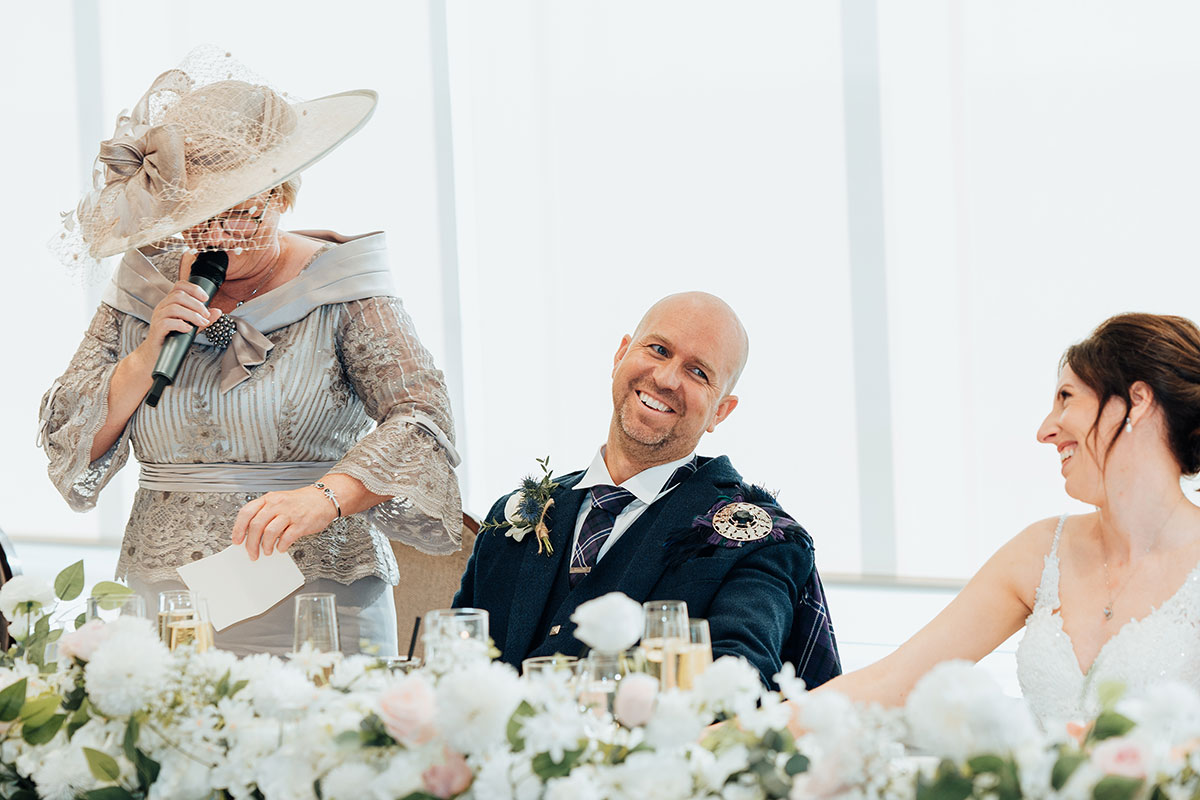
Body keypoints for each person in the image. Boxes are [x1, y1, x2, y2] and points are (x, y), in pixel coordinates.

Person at [38, 49, 462, 656]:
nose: (215, 236)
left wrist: (325, 497)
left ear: (283, 194)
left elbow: (423, 418)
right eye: (196, 217)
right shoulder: (143, 285)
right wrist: (142, 357)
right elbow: (66, 439)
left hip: (318, 593)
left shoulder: (342, 284)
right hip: (166, 600)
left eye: (238, 212)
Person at [813, 313, 1200, 728]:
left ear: (1136, 402)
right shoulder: (1040, 551)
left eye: (1066, 397)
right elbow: (890, 682)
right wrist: (746, 735)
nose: (1045, 431)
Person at [454, 292, 841, 689]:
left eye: (698, 372)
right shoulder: (514, 515)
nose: (666, 378)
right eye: (658, 350)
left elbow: (736, 694)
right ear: (621, 354)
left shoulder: (759, 541)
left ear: (720, 412)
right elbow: (452, 670)